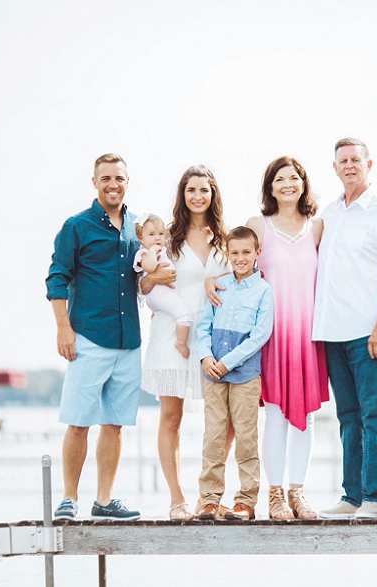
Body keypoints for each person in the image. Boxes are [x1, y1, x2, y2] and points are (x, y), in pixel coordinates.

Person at [314, 138, 377, 519]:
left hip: (369, 334)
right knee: (347, 417)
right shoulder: (329, 214)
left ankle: (374, 497)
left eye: (356, 160)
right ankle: (350, 496)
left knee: (373, 415)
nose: (349, 165)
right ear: (334, 168)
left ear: (369, 164)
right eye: (343, 161)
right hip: (332, 334)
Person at [46, 153, 142, 521]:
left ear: (127, 181)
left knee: (114, 424)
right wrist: (62, 327)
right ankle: (68, 498)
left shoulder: (137, 226)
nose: (112, 184)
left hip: (129, 340)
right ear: (94, 182)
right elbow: (57, 276)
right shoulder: (77, 226)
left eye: (118, 177)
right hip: (87, 335)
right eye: (105, 178)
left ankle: (104, 499)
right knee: (79, 420)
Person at [139, 165, 231, 521]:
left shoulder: (223, 238)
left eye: (204, 190)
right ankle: (177, 500)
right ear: (183, 195)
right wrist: (151, 279)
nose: (197, 196)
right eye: (191, 190)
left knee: (224, 419)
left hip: (215, 338)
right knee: (171, 417)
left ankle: (208, 495)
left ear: (212, 195)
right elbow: (144, 287)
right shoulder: (167, 238)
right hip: (173, 335)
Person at [245, 156, 328, 519]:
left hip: (310, 336)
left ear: (304, 183)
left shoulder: (319, 227)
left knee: (306, 416)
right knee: (276, 414)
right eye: (280, 179)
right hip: (271, 336)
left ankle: (298, 492)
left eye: (294, 178)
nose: (288, 184)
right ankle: (274, 494)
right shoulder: (257, 226)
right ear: (270, 187)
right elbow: (237, 270)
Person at [195, 226, 274, 521]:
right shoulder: (219, 285)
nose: (240, 258)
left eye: (246, 253)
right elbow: (203, 325)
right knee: (213, 436)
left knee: (245, 436)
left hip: (244, 374)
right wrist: (205, 356)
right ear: (227, 254)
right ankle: (209, 499)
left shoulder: (263, 291)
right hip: (213, 373)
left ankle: (245, 502)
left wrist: (228, 362)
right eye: (234, 253)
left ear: (257, 254)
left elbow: (260, 335)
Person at [133, 213, 192, 359]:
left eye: (160, 233)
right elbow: (149, 267)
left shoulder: (164, 249)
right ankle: (181, 343)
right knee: (184, 315)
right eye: (151, 234)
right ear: (141, 238)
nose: (157, 238)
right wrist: (152, 252)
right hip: (159, 294)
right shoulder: (144, 253)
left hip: (162, 296)